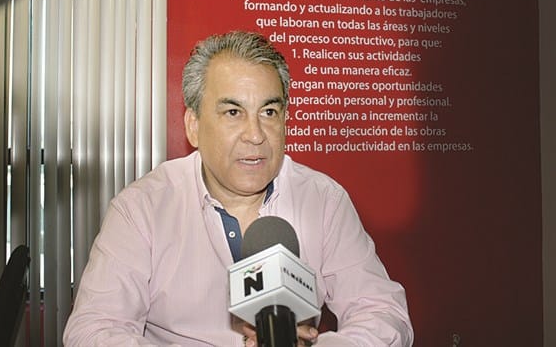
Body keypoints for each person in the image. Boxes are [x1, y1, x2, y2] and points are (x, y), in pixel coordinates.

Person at [63, 31, 414, 346]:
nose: (255, 134)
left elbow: (385, 314)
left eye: (269, 112)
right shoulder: (143, 208)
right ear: (194, 125)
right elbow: (93, 330)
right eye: (233, 112)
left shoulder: (323, 200)